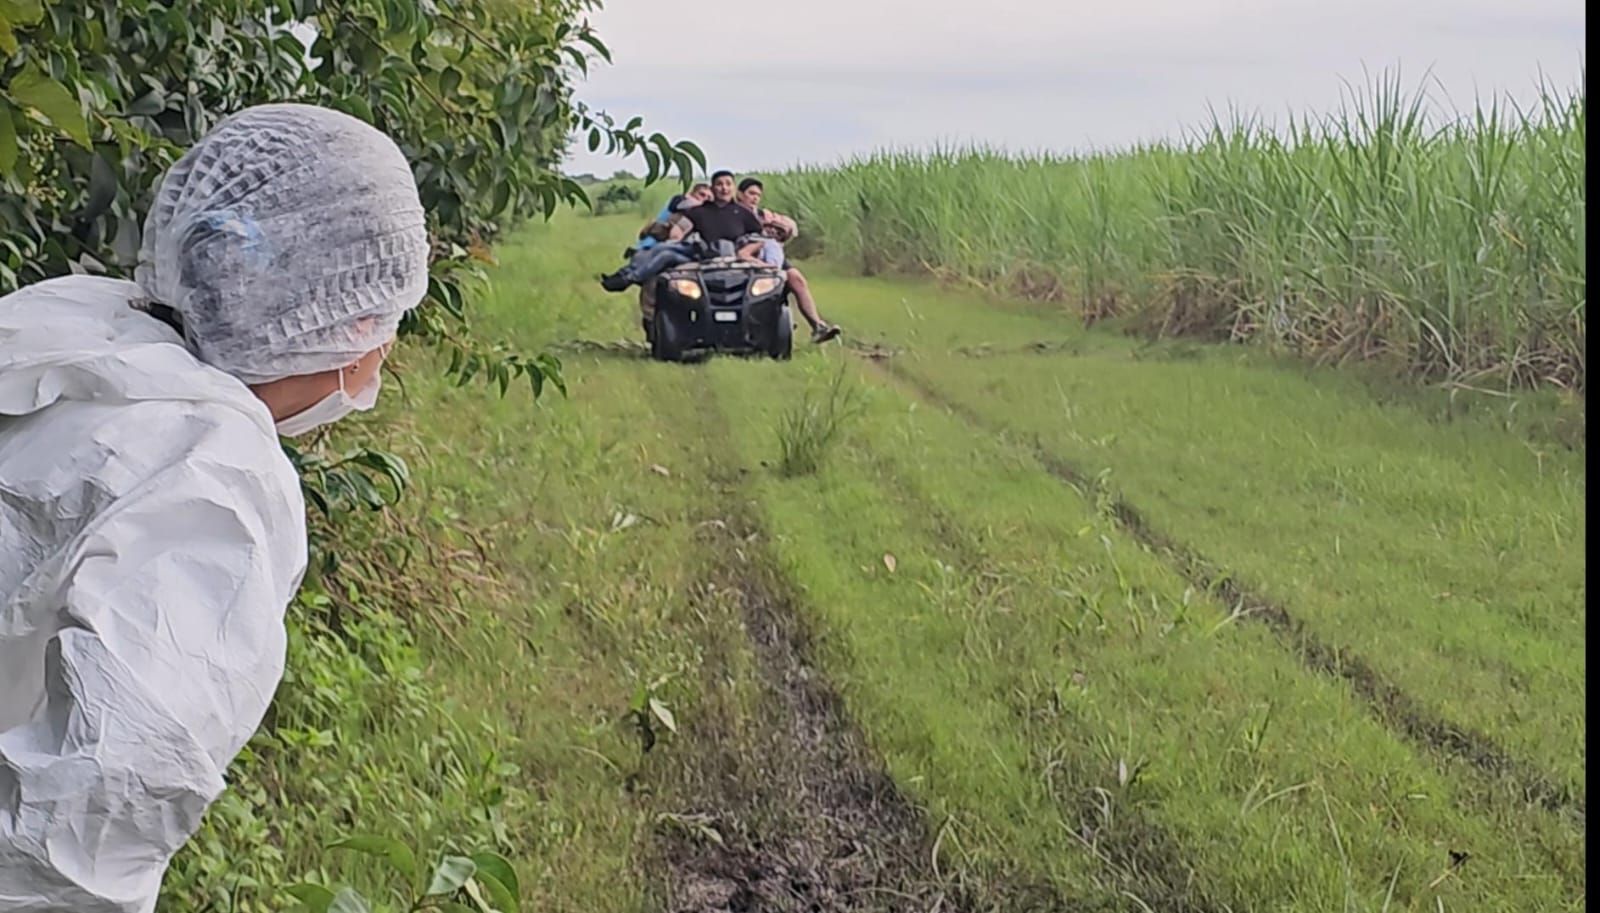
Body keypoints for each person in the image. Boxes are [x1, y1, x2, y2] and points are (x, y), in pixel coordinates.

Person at [0, 103, 430, 913]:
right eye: (392, 314)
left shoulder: (65, 319)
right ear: (356, 317)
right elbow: (88, 827)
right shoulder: (214, 474)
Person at [598, 170, 760, 291]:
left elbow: (760, 238)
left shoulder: (744, 213)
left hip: (730, 260)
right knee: (662, 249)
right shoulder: (700, 211)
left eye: (728, 184)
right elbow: (680, 228)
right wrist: (676, 236)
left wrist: (746, 252)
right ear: (713, 188)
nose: (724, 188)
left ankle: (630, 277)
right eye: (719, 184)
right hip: (700, 256)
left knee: (666, 253)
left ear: (733, 187)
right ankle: (625, 277)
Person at [736, 178, 840, 343]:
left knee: (796, 277)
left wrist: (781, 228)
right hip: (747, 252)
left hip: (768, 251)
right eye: (751, 193)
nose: (754, 198)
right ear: (740, 194)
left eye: (757, 195)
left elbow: (790, 231)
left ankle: (817, 326)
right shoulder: (732, 212)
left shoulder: (764, 215)